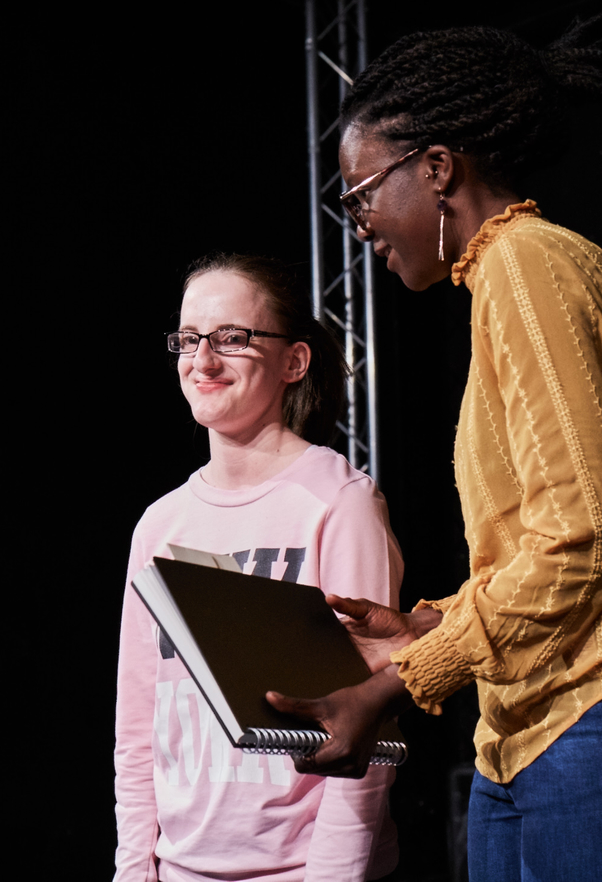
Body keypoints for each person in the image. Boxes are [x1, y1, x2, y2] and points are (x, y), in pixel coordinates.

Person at [265, 24, 602, 881]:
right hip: (537, 729)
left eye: (362, 195)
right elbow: (552, 543)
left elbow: (587, 543)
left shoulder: (528, 266)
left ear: (439, 168)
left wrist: (394, 683)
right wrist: (434, 622)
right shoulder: (503, 281)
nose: (361, 227)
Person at [114, 254, 404, 882]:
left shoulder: (338, 503)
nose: (204, 360)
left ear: (293, 362)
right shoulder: (159, 527)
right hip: (179, 869)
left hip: (300, 870)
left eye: (232, 338)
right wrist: (136, 868)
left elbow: (368, 730)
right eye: (190, 340)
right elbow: (138, 726)